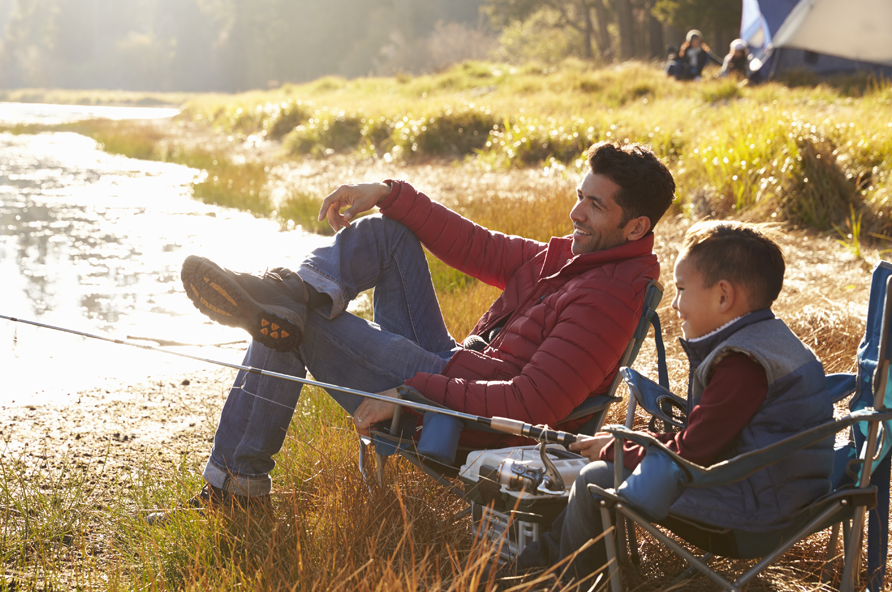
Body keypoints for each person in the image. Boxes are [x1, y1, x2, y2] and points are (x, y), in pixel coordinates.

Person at [149, 142, 677, 519]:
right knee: (386, 234)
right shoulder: (572, 256)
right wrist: (385, 192)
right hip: (458, 365)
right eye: (579, 196)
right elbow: (478, 246)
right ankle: (293, 294)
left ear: (636, 227)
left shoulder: (608, 298)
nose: (575, 212)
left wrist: (414, 391)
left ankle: (234, 489)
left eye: (594, 205)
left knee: (295, 328)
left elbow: (529, 404)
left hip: (468, 415)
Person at [517, 221, 834, 582]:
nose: (676, 304)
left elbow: (693, 452)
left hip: (756, 514)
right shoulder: (772, 340)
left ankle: (562, 580)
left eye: (682, 289)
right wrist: (629, 447)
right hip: (786, 494)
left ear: (723, 296)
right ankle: (535, 564)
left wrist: (618, 450)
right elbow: (711, 439)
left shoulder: (741, 363)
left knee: (596, 479)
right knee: (608, 470)